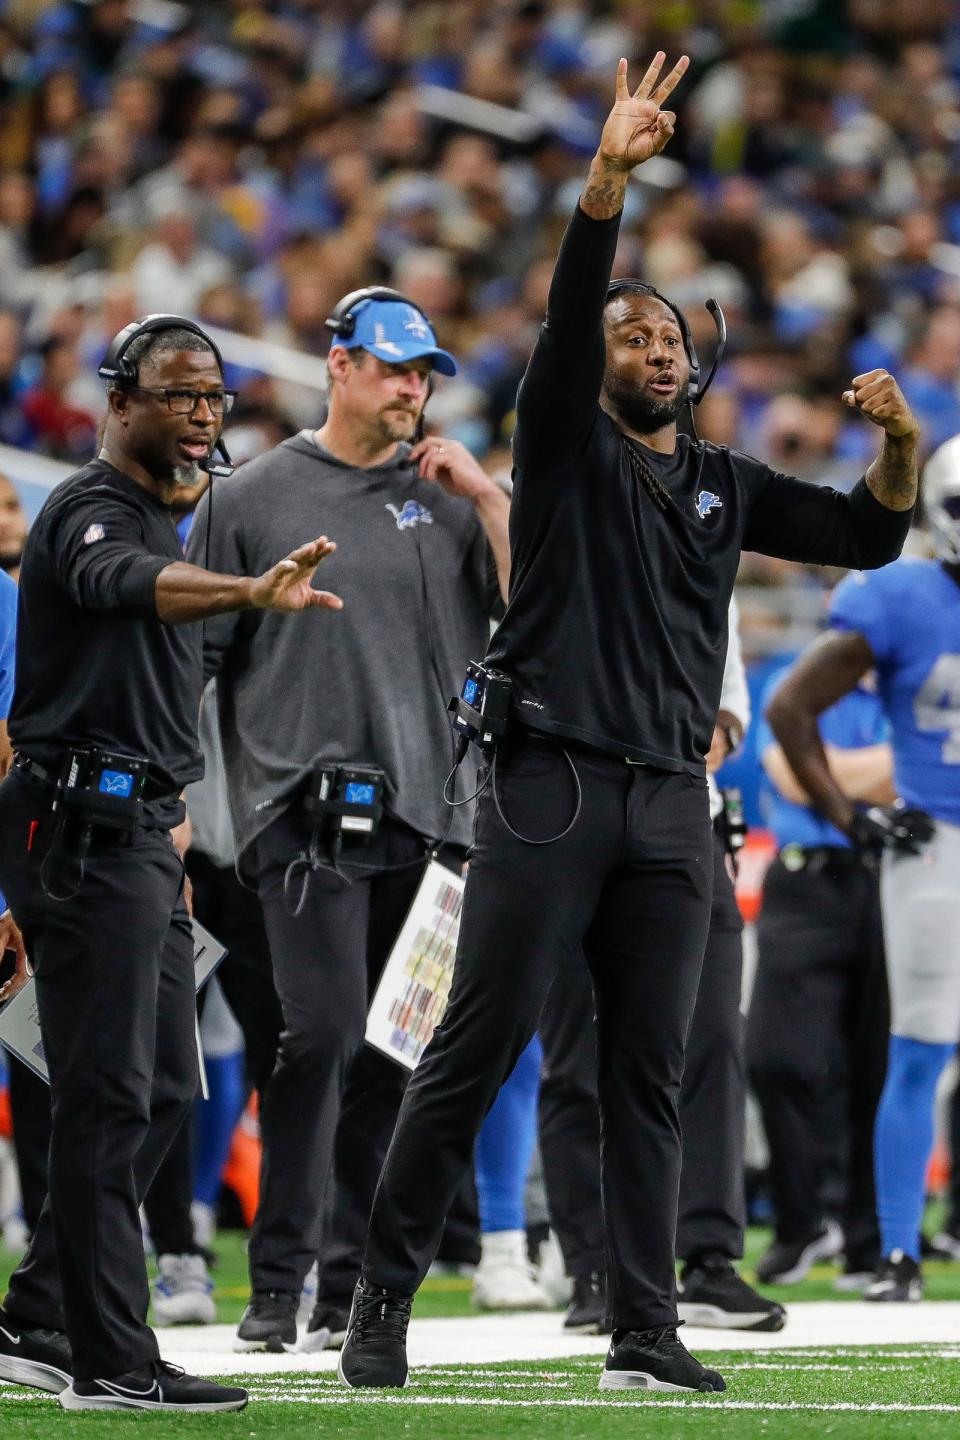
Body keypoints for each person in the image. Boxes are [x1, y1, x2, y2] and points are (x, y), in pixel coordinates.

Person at [337, 53, 919, 1397]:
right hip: (545, 783)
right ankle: (382, 1296)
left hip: (669, 800)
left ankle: (644, 1332)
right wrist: (606, 179)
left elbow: (869, 530)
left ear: (695, 357)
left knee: (654, 1073)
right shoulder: (564, 440)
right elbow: (564, 308)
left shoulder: (723, 479)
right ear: (591, 366)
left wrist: (891, 441)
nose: (653, 349)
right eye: (629, 337)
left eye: (668, 337)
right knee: (473, 1047)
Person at [0, 314, 342, 1412]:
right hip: (76, 830)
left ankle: (46, 1314)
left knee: (155, 1089)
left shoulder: (164, 516)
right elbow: (129, 587)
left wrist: (175, 819)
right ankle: (112, 1359)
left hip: (139, 831)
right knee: (108, 1095)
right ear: (122, 401)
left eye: (214, 397)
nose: (203, 413)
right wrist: (243, 591)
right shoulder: (88, 513)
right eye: (181, 394)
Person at [186, 287, 509, 1353]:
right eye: (392, 366)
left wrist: (489, 497)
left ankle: (342, 1289)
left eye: (424, 373)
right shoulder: (254, 495)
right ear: (338, 365)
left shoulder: (455, 496)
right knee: (315, 1035)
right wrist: (191, 813)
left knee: (391, 1058)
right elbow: (197, 657)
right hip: (298, 812)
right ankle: (274, 1287)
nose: (413, 388)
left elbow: (536, 609)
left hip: (434, 817)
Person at [538, 600, 787, 1336]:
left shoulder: (702, 542)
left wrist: (669, 761)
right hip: (569, 812)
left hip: (683, 815)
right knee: (579, 1051)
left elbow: (725, 709)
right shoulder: (561, 532)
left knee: (712, 1039)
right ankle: (592, 1265)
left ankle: (708, 1257)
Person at [767, 433, 960, 1302]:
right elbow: (789, 707)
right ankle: (897, 1251)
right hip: (937, 846)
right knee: (917, 1051)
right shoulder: (902, 596)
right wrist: (851, 817)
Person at [747, 666, 891, 1288]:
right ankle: (801, 1221)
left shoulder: (917, 681)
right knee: (775, 1057)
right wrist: (877, 771)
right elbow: (786, 770)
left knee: (881, 1066)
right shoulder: (791, 675)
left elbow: (812, 769)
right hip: (803, 881)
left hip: (894, 876)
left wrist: (822, 764)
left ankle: (869, 1238)